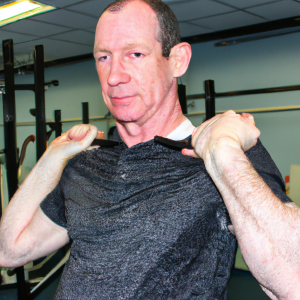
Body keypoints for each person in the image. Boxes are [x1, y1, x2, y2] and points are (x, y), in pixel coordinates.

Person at [0, 0, 299, 299]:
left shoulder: (222, 160)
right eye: (104, 57)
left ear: (178, 60)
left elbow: (293, 281)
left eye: (135, 54)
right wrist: (52, 156)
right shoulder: (87, 164)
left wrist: (223, 153)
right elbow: (9, 250)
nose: (114, 76)